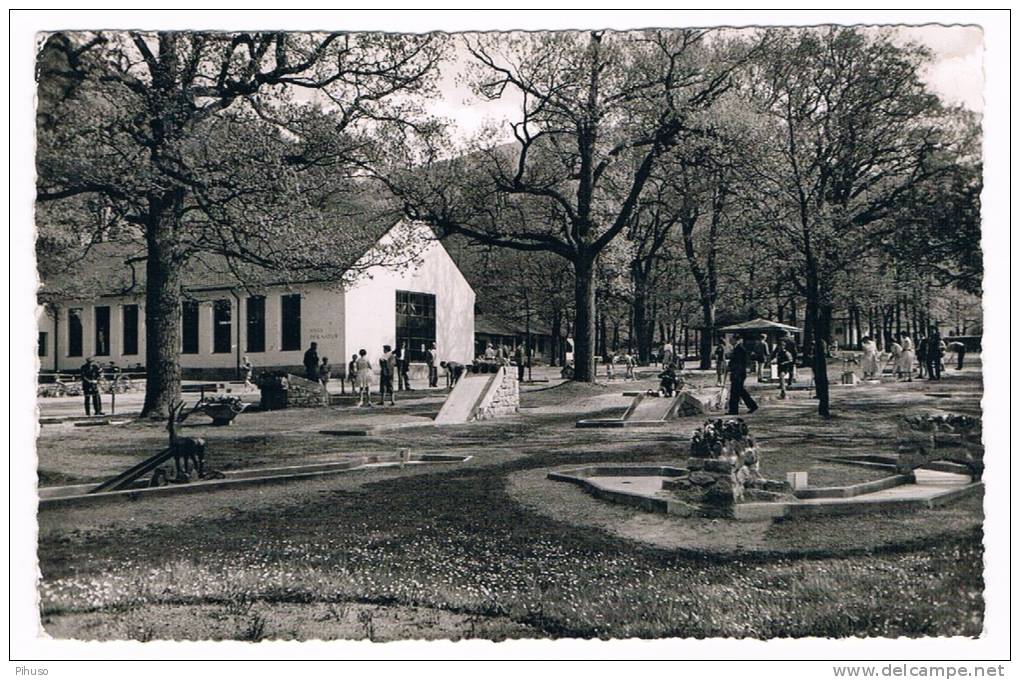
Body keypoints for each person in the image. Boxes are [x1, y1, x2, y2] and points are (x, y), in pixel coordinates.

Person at [726, 335, 758, 415]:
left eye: (731, 339)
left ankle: (734, 410)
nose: (730, 341)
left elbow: (740, 363)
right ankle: (752, 406)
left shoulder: (740, 349)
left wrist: (732, 368)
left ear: (735, 340)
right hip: (736, 373)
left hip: (738, 373)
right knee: (739, 391)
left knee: (735, 391)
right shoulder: (736, 348)